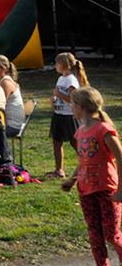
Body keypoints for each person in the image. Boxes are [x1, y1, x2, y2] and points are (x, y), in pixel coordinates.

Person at [61, 87, 122, 266]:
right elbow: (83, 161)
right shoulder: (80, 132)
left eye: (73, 105)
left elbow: (120, 159)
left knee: (111, 235)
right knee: (95, 236)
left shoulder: (104, 130)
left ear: (81, 107)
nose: (71, 108)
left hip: (107, 190)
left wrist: (120, 191)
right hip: (86, 191)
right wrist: (72, 180)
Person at [49, 51, 89, 179]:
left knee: (75, 143)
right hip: (59, 114)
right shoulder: (61, 78)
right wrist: (54, 100)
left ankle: (89, 163)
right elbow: (58, 96)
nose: (55, 65)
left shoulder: (71, 80)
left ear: (64, 65)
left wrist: (59, 94)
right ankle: (59, 170)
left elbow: (73, 99)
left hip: (69, 116)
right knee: (57, 142)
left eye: (57, 63)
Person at [0, 54, 25, 139]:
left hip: (12, 126)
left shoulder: (5, 83)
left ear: (3, 68)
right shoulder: (3, 81)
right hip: (10, 124)